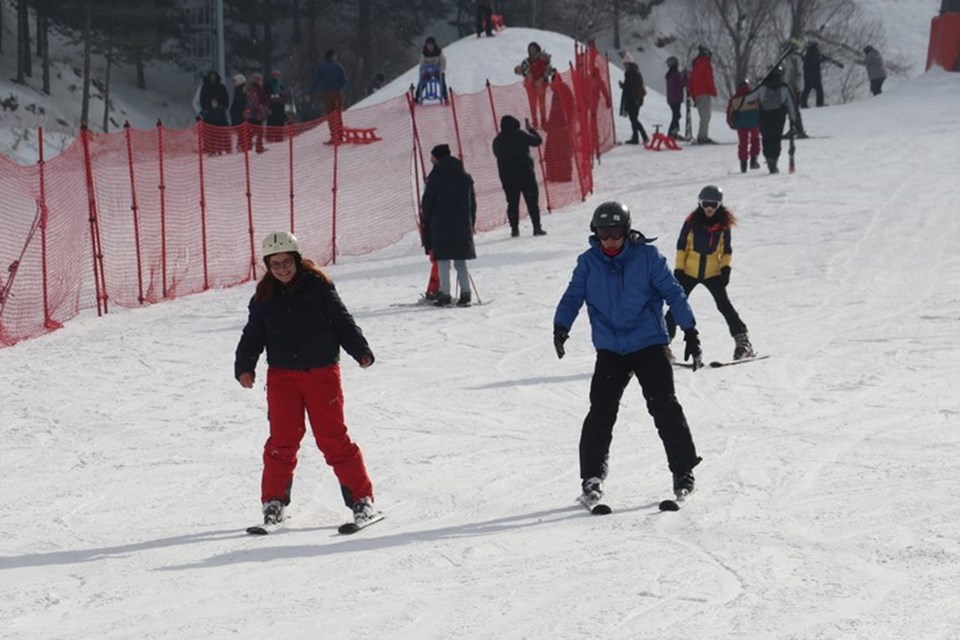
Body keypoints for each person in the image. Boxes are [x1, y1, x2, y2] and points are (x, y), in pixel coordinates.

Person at [553, 201, 703, 507]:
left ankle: (683, 471)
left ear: (627, 229)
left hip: (649, 343)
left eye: (615, 232)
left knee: (664, 407)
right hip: (611, 348)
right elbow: (572, 296)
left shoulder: (647, 257)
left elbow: (673, 292)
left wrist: (690, 331)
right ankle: (591, 478)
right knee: (601, 412)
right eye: (603, 232)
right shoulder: (588, 262)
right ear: (595, 233)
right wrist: (561, 326)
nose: (609, 239)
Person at [234, 231, 379, 529]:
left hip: (321, 373)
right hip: (282, 377)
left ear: (297, 260)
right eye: (275, 264)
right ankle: (273, 503)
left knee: (333, 438)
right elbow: (253, 334)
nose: (282, 269)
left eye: (287, 262)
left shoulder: (319, 287)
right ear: (268, 266)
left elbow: (341, 321)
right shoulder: (263, 297)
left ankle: (362, 501)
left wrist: (360, 350)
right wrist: (244, 366)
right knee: (281, 441)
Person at [665, 186, 754, 362]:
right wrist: (679, 269)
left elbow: (726, 250)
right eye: (706, 204)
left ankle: (743, 342)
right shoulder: (691, 221)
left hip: (712, 272)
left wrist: (725, 268)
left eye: (713, 205)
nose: (709, 209)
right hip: (689, 271)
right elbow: (681, 247)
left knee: (724, 305)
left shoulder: (723, 225)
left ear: (719, 205)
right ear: (700, 203)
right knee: (677, 306)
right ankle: (662, 344)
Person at [420, 144, 477, 307]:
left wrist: (427, 219)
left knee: (443, 259)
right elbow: (472, 202)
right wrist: (470, 221)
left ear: (437, 157)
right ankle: (465, 293)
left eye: (432, 157)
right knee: (460, 260)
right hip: (461, 224)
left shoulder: (436, 177)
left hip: (441, 224)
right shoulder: (464, 176)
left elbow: (427, 202)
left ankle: (445, 293)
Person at [492, 114, 546, 237]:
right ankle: (536, 227)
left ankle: (514, 229)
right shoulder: (520, 134)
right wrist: (532, 130)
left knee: (512, 203)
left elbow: (496, 154)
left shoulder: (498, 140)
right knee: (532, 201)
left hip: (507, 177)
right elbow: (537, 141)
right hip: (525, 174)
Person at [743, 66, 797, 174]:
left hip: (764, 115)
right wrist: (793, 119)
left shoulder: (763, 86)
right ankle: (774, 162)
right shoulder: (784, 87)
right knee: (776, 139)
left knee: (766, 139)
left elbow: (748, 98)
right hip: (779, 116)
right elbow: (791, 104)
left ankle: (769, 160)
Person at [309, 49, 348, 142]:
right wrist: (338, 85)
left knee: (330, 116)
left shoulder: (321, 67)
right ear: (332, 56)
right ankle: (340, 135)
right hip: (337, 92)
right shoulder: (338, 66)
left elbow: (316, 81)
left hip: (326, 93)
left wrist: (310, 92)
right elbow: (344, 81)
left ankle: (333, 136)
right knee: (338, 114)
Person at [544, 73, 577, 183]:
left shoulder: (562, 91)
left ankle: (562, 175)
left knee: (561, 153)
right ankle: (555, 175)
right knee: (555, 152)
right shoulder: (558, 92)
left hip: (561, 129)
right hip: (557, 129)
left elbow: (567, 110)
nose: (550, 86)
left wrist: (563, 125)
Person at [515, 42, 553, 128]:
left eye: (533, 48)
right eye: (530, 49)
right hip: (530, 86)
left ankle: (543, 121)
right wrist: (519, 70)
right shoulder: (527, 61)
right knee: (532, 104)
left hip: (541, 85)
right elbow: (521, 71)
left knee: (542, 104)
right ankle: (535, 122)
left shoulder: (544, 60)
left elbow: (549, 70)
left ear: (537, 48)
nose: (532, 50)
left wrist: (543, 78)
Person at [726, 79, 761, 173]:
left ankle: (743, 164)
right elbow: (761, 109)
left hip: (740, 124)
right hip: (754, 123)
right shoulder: (753, 97)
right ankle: (753, 160)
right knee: (755, 140)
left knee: (743, 143)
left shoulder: (734, 99)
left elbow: (729, 114)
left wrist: (732, 125)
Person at [688, 46, 718, 144]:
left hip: (697, 94)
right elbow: (708, 79)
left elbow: (691, 82)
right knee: (706, 117)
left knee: (703, 117)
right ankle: (702, 137)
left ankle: (702, 135)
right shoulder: (705, 64)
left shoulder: (695, 66)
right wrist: (713, 91)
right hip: (705, 93)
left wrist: (693, 96)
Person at [801, 42, 843, 108]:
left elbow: (807, 60)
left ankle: (803, 104)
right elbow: (824, 59)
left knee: (807, 89)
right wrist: (837, 63)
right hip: (815, 75)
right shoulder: (815, 53)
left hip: (807, 75)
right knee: (819, 89)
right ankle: (819, 103)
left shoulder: (807, 54)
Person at [619, 52, 648, 145]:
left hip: (633, 99)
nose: (624, 66)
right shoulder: (635, 71)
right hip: (637, 98)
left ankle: (642, 136)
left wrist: (623, 86)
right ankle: (637, 136)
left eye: (624, 64)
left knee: (634, 119)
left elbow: (631, 87)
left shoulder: (630, 72)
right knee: (633, 118)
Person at [197, 70, 230, 154]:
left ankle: (222, 149)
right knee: (209, 133)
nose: (213, 78)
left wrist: (220, 106)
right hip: (209, 115)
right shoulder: (204, 88)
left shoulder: (222, 87)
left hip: (220, 114)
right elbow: (202, 101)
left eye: (214, 76)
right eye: (211, 76)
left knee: (221, 133)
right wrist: (208, 107)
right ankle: (210, 149)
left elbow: (226, 101)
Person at [415, 37, 448, 104]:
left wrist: (440, 70)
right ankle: (417, 97)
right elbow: (422, 63)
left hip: (437, 72)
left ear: (434, 45)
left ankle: (445, 97)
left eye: (431, 45)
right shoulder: (424, 53)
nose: (429, 47)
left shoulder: (438, 52)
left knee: (442, 82)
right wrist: (425, 71)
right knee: (422, 82)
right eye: (428, 45)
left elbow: (443, 62)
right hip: (427, 72)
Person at [664, 56, 685, 139]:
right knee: (676, 115)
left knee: (676, 115)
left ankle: (674, 132)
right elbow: (681, 83)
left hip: (671, 98)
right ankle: (672, 132)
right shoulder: (676, 74)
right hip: (676, 98)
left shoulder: (670, 74)